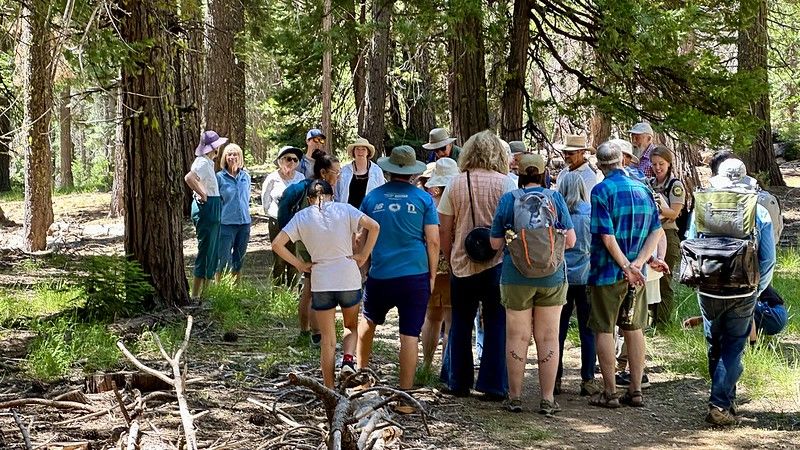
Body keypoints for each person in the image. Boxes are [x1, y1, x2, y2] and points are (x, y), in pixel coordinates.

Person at [686, 158, 775, 426]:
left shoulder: (703, 207)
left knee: (715, 343)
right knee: (735, 346)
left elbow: (691, 243)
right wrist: (757, 289)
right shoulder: (758, 211)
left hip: (709, 287)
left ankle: (724, 399)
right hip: (743, 288)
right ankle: (721, 403)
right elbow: (768, 258)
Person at [272, 179, 380, 388]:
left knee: (328, 340)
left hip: (321, 280)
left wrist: (300, 264)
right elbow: (374, 226)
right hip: (348, 276)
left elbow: (277, 244)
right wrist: (363, 255)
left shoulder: (302, 217)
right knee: (350, 326)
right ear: (332, 195)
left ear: (309, 198)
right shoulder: (345, 209)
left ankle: (329, 389)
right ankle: (348, 360)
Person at [490, 153, 576, 414]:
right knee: (548, 336)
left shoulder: (508, 200)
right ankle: (547, 399)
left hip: (516, 276)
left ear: (520, 175)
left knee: (517, 336)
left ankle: (514, 397)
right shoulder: (556, 198)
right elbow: (570, 240)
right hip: (552, 276)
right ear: (542, 174)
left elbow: (495, 243)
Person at [587, 142, 667, 409]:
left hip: (607, 272)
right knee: (635, 329)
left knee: (604, 329)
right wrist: (639, 264)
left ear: (600, 165)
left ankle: (610, 392)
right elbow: (656, 230)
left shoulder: (601, 191)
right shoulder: (643, 188)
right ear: (622, 160)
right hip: (638, 275)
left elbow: (606, 236)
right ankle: (635, 390)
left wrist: (625, 266)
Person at [438, 130, 516, 400]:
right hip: (497, 263)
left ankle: (458, 381)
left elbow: (444, 229)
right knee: (496, 321)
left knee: (460, 321)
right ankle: (494, 384)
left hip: (462, 262)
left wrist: (449, 257)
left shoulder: (455, 183)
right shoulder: (507, 184)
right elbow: (514, 227)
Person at [358, 145, 440, 398]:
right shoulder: (424, 198)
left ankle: (361, 380)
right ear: (413, 173)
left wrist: (362, 265)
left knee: (368, 321)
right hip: (415, 273)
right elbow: (434, 241)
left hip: (381, 272)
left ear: (390, 170)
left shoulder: (373, 197)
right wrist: (433, 274)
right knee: (409, 334)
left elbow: (361, 236)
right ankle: (405, 395)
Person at [279, 151, 342, 345]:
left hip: (302, 239)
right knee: (317, 288)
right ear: (323, 173)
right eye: (336, 172)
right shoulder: (319, 190)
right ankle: (317, 335)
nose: (338, 176)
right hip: (314, 242)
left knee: (309, 286)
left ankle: (305, 331)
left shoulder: (304, 186)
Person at [555, 170, 603, 398]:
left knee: (557, 330)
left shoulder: (555, 214)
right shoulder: (591, 213)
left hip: (561, 277)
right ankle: (588, 379)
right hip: (586, 277)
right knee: (588, 330)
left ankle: (554, 377)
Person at [419, 157, 459, 371]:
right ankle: (447, 368)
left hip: (430, 266)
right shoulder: (458, 204)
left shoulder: (429, 205)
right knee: (451, 320)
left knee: (432, 317)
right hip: (455, 266)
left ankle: (426, 365)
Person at [184, 130, 227, 299]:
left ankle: (206, 293)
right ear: (213, 148)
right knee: (206, 250)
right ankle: (196, 295)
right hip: (207, 208)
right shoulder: (201, 162)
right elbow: (190, 178)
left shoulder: (207, 163)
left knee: (212, 250)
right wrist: (203, 194)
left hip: (212, 207)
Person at [648, 146, 685, 326]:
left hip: (668, 234)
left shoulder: (675, 185)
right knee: (650, 278)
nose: (657, 168)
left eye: (661, 164)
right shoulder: (650, 183)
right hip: (651, 235)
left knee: (665, 279)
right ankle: (649, 318)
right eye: (654, 164)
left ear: (669, 163)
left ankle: (662, 322)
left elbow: (674, 213)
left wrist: (656, 207)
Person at [262, 146, 306, 285]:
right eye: (288, 159)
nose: (291, 162)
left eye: (295, 160)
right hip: (276, 222)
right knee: (279, 259)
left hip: (295, 223)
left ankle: (293, 292)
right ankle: (278, 293)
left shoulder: (300, 178)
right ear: (280, 161)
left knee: (295, 257)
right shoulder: (272, 178)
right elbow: (265, 200)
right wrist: (274, 214)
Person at [216, 143, 252, 283]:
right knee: (223, 258)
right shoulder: (219, 177)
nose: (232, 157)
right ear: (224, 157)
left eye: (235, 154)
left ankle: (236, 288)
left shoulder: (245, 177)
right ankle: (221, 289)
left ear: (240, 157)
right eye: (229, 154)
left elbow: (246, 198)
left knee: (239, 258)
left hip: (244, 223)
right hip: (225, 223)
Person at [336, 137, 386, 208]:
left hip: (369, 214)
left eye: (363, 149)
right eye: (357, 149)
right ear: (353, 151)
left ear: (368, 152)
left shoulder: (376, 171)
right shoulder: (344, 171)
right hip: (347, 214)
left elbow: (381, 194)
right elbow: (337, 194)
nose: (360, 152)